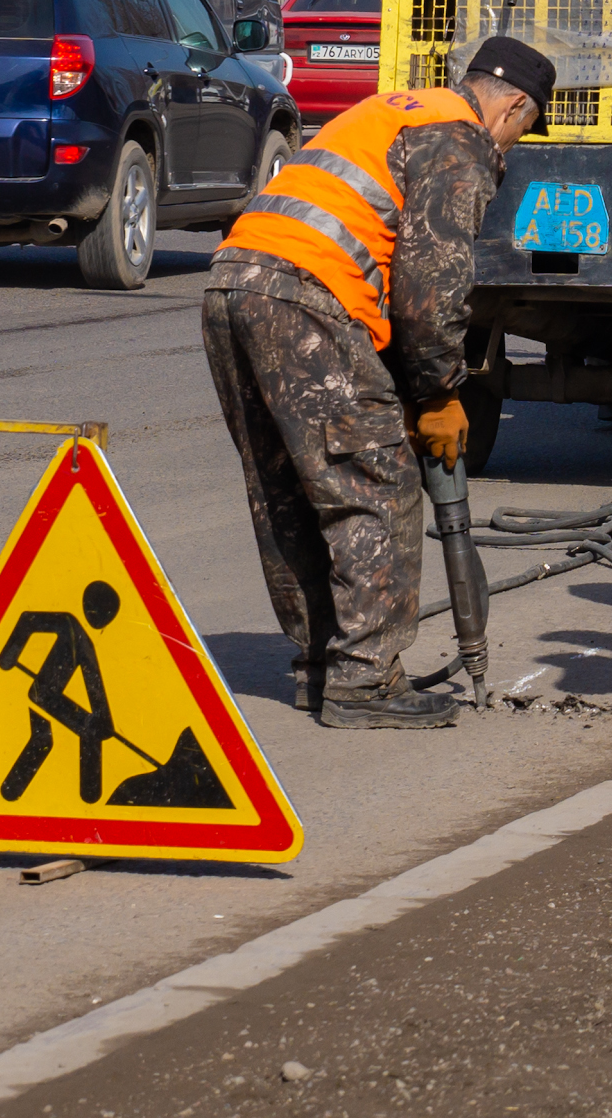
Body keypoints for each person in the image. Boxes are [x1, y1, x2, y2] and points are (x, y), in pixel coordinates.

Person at [200, 36, 554, 729]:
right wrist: (439, 394)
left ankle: (320, 666)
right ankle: (363, 680)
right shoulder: (458, 139)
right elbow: (430, 289)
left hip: (231, 287)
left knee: (290, 490)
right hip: (304, 296)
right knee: (376, 483)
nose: (511, 148)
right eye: (523, 130)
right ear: (512, 105)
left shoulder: (392, 110)